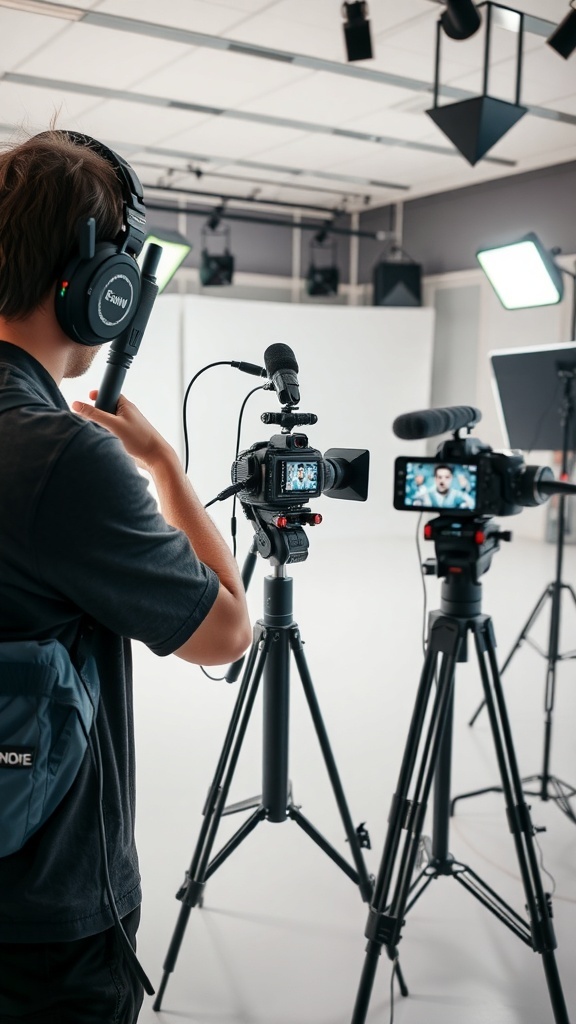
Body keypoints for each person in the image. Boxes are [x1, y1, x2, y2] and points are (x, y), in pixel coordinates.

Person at [0, 130, 252, 1023]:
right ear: (100, 287)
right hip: (45, 930)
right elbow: (226, 631)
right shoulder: (61, 458)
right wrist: (166, 469)